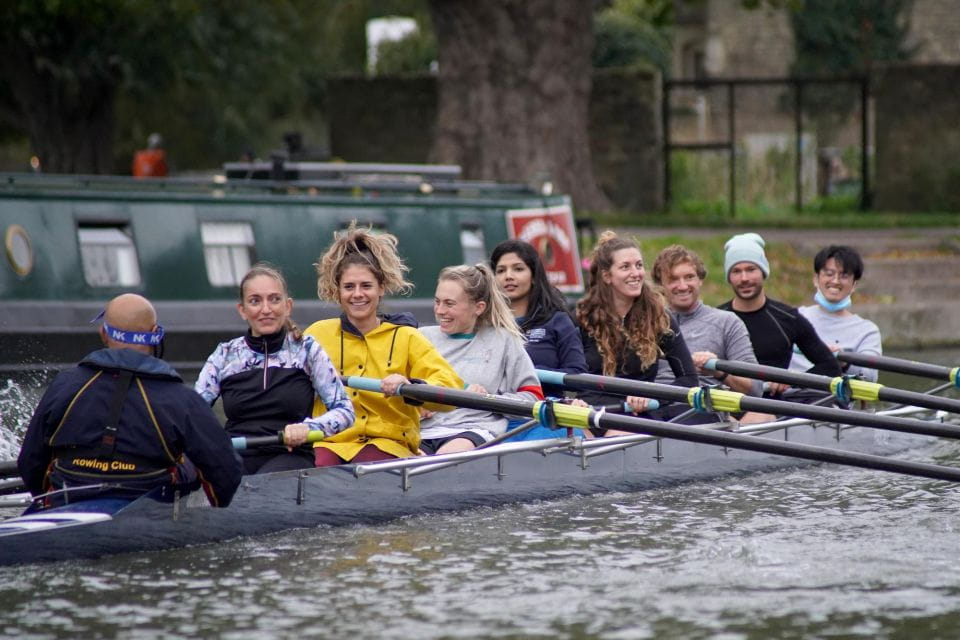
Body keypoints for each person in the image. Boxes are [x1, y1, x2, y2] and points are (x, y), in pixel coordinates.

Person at [18, 294, 241, 508]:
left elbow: (29, 462)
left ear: (103, 333)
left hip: (67, 499)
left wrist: (47, 499)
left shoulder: (64, 385)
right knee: (189, 460)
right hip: (148, 507)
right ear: (155, 335)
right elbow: (226, 472)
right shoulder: (182, 399)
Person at [305, 222, 463, 466]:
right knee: (315, 467)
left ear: (381, 288)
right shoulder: (317, 334)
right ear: (338, 291)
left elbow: (450, 389)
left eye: (366, 286)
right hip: (330, 441)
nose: (358, 294)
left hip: (388, 442)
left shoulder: (407, 337)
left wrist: (411, 386)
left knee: (369, 466)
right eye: (349, 287)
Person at [194, 263, 355, 474]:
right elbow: (193, 411)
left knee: (264, 484)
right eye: (255, 301)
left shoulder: (307, 350)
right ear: (242, 310)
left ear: (288, 306)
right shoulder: (224, 354)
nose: (266, 309)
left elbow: (345, 411)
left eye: (274, 299)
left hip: (290, 455)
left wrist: (309, 428)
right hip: (237, 453)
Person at [576, 231, 698, 434]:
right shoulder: (582, 318)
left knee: (615, 435)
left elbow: (689, 379)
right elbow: (566, 372)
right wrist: (572, 402)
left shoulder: (658, 317)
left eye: (639, 265)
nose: (636, 273)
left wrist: (652, 396)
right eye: (625, 267)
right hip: (589, 412)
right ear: (607, 276)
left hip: (635, 415)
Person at [419, 264, 544, 454]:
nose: (440, 310)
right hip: (421, 432)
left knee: (442, 460)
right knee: (406, 462)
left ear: (478, 308)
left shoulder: (503, 340)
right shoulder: (420, 337)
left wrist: (487, 400)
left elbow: (533, 398)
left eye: (449, 304)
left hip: (473, 429)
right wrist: (417, 406)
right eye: (437, 302)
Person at [717, 233, 842, 396]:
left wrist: (789, 380)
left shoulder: (788, 318)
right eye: (736, 271)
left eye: (751, 269)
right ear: (729, 277)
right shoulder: (716, 318)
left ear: (763, 272)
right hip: (727, 405)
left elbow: (830, 366)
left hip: (774, 405)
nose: (744, 278)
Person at [651, 244, 760, 395]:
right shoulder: (646, 324)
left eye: (689, 277)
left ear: (700, 280)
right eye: (673, 279)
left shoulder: (727, 322)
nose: (683, 286)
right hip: (653, 402)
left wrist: (719, 370)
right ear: (660, 285)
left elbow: (755, 388)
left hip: (702, 404)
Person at [491, 239, 586, 394]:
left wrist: (531, 371)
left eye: (518, 269)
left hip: (542, 407)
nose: (508, 276)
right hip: (495, 408)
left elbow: (577, 376)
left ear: (534, 276)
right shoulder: (485, 324)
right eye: (501, 271)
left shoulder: (558, 321)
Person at [789, 245, 881, 382]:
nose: (835, 281)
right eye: (829, 274)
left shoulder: (867, 331)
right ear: (816, 279)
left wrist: (844, 362)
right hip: (789, 392)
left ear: (854, 285)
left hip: (833, 394)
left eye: (844, 275)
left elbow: (870, 377)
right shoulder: (794, 317)